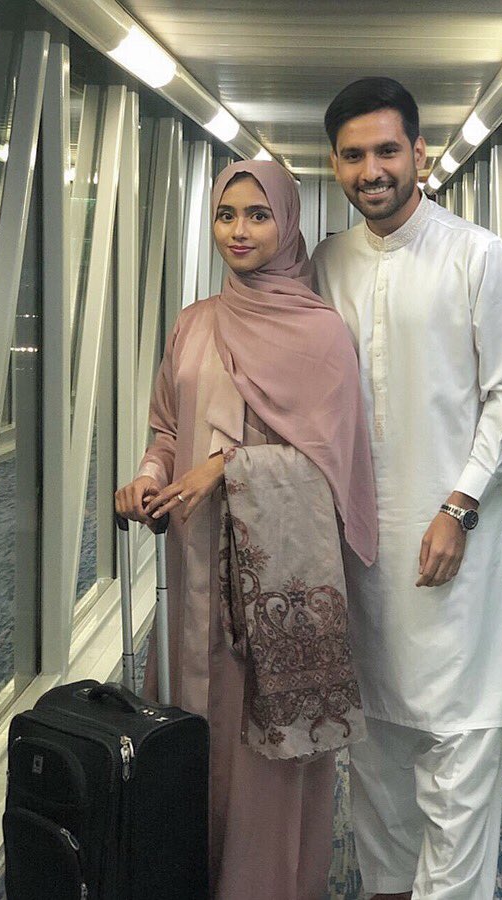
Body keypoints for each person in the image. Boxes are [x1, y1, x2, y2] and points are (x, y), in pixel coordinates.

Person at [114, 160, 377, 900]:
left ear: (286, 223)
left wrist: (228, 469)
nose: (239, 231)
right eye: (226, 214)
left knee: (261, 751)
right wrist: (149, 474)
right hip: (192, 568)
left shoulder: (321, 334)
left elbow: (333, 465)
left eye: (258, 215)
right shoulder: (194, 322)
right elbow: (167, 428)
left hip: (274, 587)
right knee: (186, 730)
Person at [311, 77, 502, 899]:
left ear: (420, 153)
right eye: (353, 155)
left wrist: (459, 503)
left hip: (453, 545)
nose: (371, 170)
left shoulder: (480, 256)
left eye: (386, 150)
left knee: (459, 745)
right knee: (375, 747)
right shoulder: (328, 264)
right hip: (360, 549)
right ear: (334, 165)